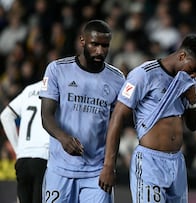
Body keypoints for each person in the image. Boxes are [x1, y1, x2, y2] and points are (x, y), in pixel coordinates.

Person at [99, 34, 196, 202]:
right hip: (149, 162)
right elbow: (117, 117)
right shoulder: (144, 74)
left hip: (177, 162)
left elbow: (194, 124)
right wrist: (109, 165)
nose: (194, 75)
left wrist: (193, 100)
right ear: (182, 56)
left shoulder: (189, 82)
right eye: (193, 69)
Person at [39, 20, 125, 203]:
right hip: (60, 169)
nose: (100, 51)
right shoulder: (57, 69)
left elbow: (116, 126)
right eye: (95, 44)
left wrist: (110, 166)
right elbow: (46, 116)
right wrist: (63, 138)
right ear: (82, 41)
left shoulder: (117, 79)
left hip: (96, 172)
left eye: (105, 46)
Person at [0, 80, 49, 203]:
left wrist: (18, 149)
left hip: (23, 159)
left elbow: (5, 116)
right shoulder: (59, 90)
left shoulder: (29, 90)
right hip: (44, 156)